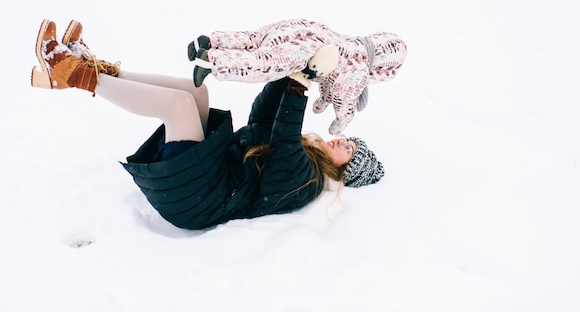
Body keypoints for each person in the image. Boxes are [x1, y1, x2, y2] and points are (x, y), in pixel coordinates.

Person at [30, 19, 385, 230]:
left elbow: (283, 144)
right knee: (197, 93)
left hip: (197, 201)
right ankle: (98, 70)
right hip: (212, 175)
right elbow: (263, 119)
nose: (343, 144)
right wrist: (286, 72)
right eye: (350, 142)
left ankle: (76, 75)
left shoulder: (305, 182)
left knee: (179, 106)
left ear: (343, 173)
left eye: (350, 154)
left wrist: (301, 83)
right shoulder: (305, 159)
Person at [188, 18, 408, 134]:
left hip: (308, 28)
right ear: (384, 67)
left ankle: (211, 41)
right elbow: (344, 98)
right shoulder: (359, 68)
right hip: (308, 47)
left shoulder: (352, 43)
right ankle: (212, 62)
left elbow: (331, 81)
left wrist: (322, 101)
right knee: (267, 63)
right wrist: (342, 121)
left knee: (256, 39)